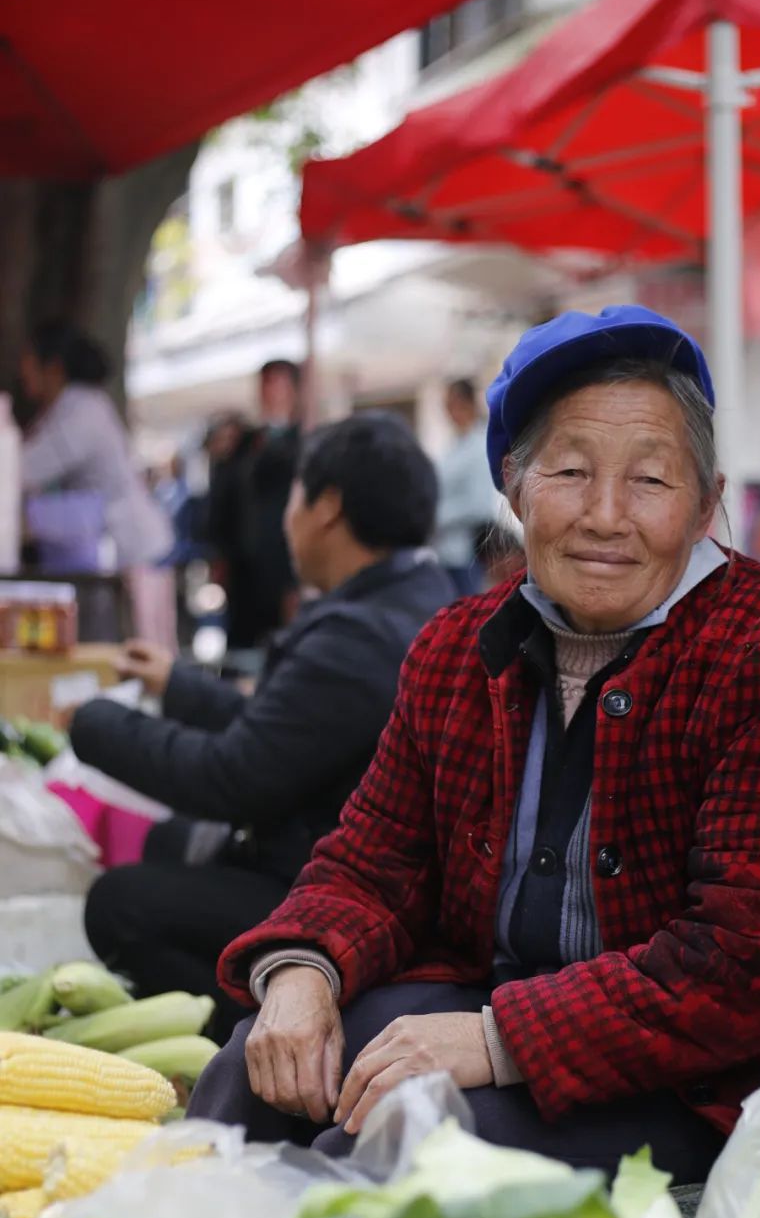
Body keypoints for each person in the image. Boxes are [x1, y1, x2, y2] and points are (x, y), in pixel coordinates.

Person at [190, 305, 760, 1181]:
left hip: (704, 1078)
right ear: (514, 489)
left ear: (706, 505)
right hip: (498, 1008)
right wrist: (302, 972)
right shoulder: (455, 648)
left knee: (398, 1150)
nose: (605, 516)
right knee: (251, 1074)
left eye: (650, 480)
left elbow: (750, 964)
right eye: (571, 472)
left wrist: (494, 1039)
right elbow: (372, 861)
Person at [72, 413, 456, 1039]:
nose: (285, 516)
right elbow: (283, 729)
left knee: (118, 904)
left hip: (346, 895)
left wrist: (90, 721)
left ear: (327, 508)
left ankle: (255, 1039)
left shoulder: (359, 638)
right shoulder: (410, 596)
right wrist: (177, 685)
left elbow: (233, 777)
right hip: (336, 856)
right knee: (168, 842)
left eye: (295, 494)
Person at [18, 320, 176, 646]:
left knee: (144, 652)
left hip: (133, 553)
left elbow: (21, 471)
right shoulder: (73, 407)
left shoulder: (81, 411)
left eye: (29, 362)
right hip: (119, 552)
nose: (22, 372)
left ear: (53, 368)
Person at [206, 360, 303, 649]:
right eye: (266, 384)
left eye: (278, 384)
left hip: (283, 566)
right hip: (243, 567)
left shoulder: (302, 443)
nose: (271, 392)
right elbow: (224, 499)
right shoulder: (243, 444)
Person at [434, 377, 499, 594]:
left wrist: (437, 518)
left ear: (468, 404)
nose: (449, 412)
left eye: (452, 404)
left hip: (465, 554)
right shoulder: (454, 446)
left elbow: (480, 505)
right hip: (444, 552)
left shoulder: (479, 446)